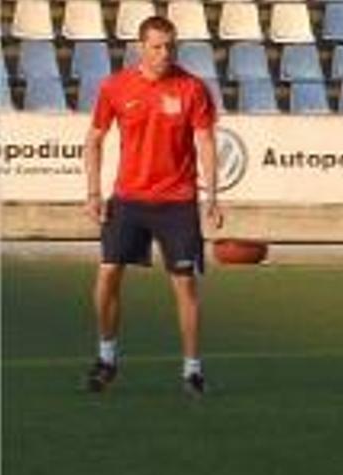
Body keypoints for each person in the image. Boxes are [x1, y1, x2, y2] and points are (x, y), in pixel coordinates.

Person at [82, 16, 223, 397]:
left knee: (184, 285)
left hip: (177, 203)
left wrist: (213, 196)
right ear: (141, 47)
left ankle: (192, 370)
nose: (165, 53)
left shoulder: (192, 88)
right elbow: (93, 140)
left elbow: (206, 142)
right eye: (157, 46)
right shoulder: (115, 86)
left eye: (170, 46)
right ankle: (106, 358)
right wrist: (94, 194)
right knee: (108, 274)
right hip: (128, 200)